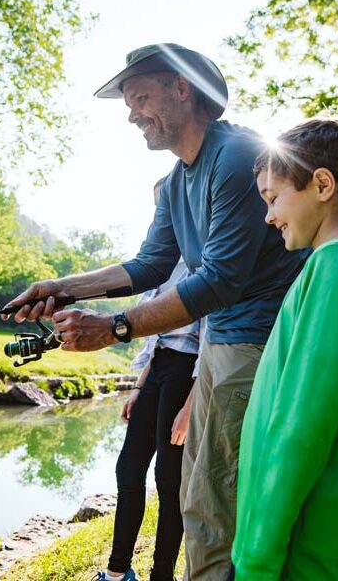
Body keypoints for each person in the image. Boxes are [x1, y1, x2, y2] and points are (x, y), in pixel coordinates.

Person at [4, 43, 307, 580]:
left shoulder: (237, 156)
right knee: (199, 496)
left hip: (257, 342)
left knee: (218, 499)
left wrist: (115, 327)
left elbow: (218, 278)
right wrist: (63, 288)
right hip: (220, 343)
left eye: (139, 96)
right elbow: (150, 264)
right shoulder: (174, 181)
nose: (130, 114)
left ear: (182, 89)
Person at [231, 118, 338, 580]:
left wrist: (258, 557)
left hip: (286, 551)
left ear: (322, 184)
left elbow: (305, 421)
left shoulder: (337, 266)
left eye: (273, 198)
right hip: (295, 543)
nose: (269, 216)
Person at [97, 181, 204, 581]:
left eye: (168, 207)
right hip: (159, 368)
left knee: (169, 482)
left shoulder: (205, 258)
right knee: (128, 470)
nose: (164, 216)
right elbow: (157, 335)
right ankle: (117, 571)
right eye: (159, 208)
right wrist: (140, 387)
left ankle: (163, 575)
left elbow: (211, 338)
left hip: (186, 374)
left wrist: (191, 406)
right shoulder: (163, 264)